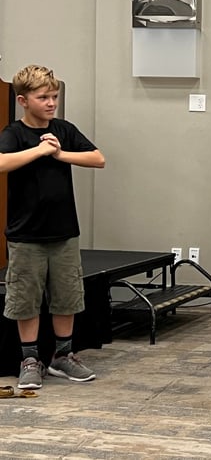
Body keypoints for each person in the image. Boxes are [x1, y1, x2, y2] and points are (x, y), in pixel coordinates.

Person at [0, 64, 105, 390]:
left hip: (64, 232)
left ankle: (62, 356)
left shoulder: (63, 129)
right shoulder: (14, 133)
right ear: (23, 101)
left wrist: (60, 154)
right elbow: (1, 162)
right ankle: (30, 359)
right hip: (26, 235)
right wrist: (39, 150)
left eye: (54, 97)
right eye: (43, 97)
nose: (51, 103)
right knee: (26, 298)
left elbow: (98, 158)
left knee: (66, 296)